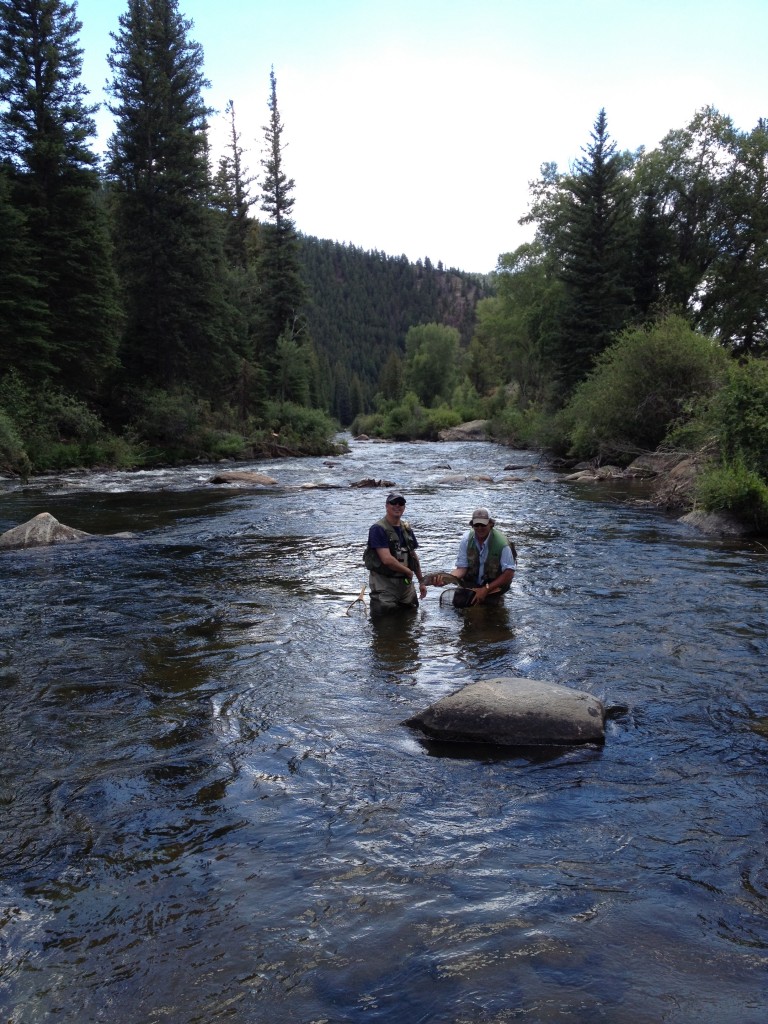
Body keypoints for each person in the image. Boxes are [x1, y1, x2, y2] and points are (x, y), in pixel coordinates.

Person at [438, 507, 516, 607]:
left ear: (491, 524)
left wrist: (486, 589)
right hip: (472, 583)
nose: (479, 528)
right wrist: (445, 580)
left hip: (493, 586)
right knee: (458, 604)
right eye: (476, 524)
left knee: (491, 612)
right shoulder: (466, 540)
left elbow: (509, 573)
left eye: (483, 524)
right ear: (472, 525)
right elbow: (462, 569)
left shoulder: (502, 545)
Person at [364, 492, 428, 613]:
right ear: (386, 506)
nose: (397, 506)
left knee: (411, 616)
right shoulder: (378, 529)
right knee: (385, 620)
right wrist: (408, 571)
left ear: (404, 507)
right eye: (393, 503)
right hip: (384, 586)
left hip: (405, 586)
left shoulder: (406, 529)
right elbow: (386, 559)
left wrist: (421, 581)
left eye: (401, 503)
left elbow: (413, 556)